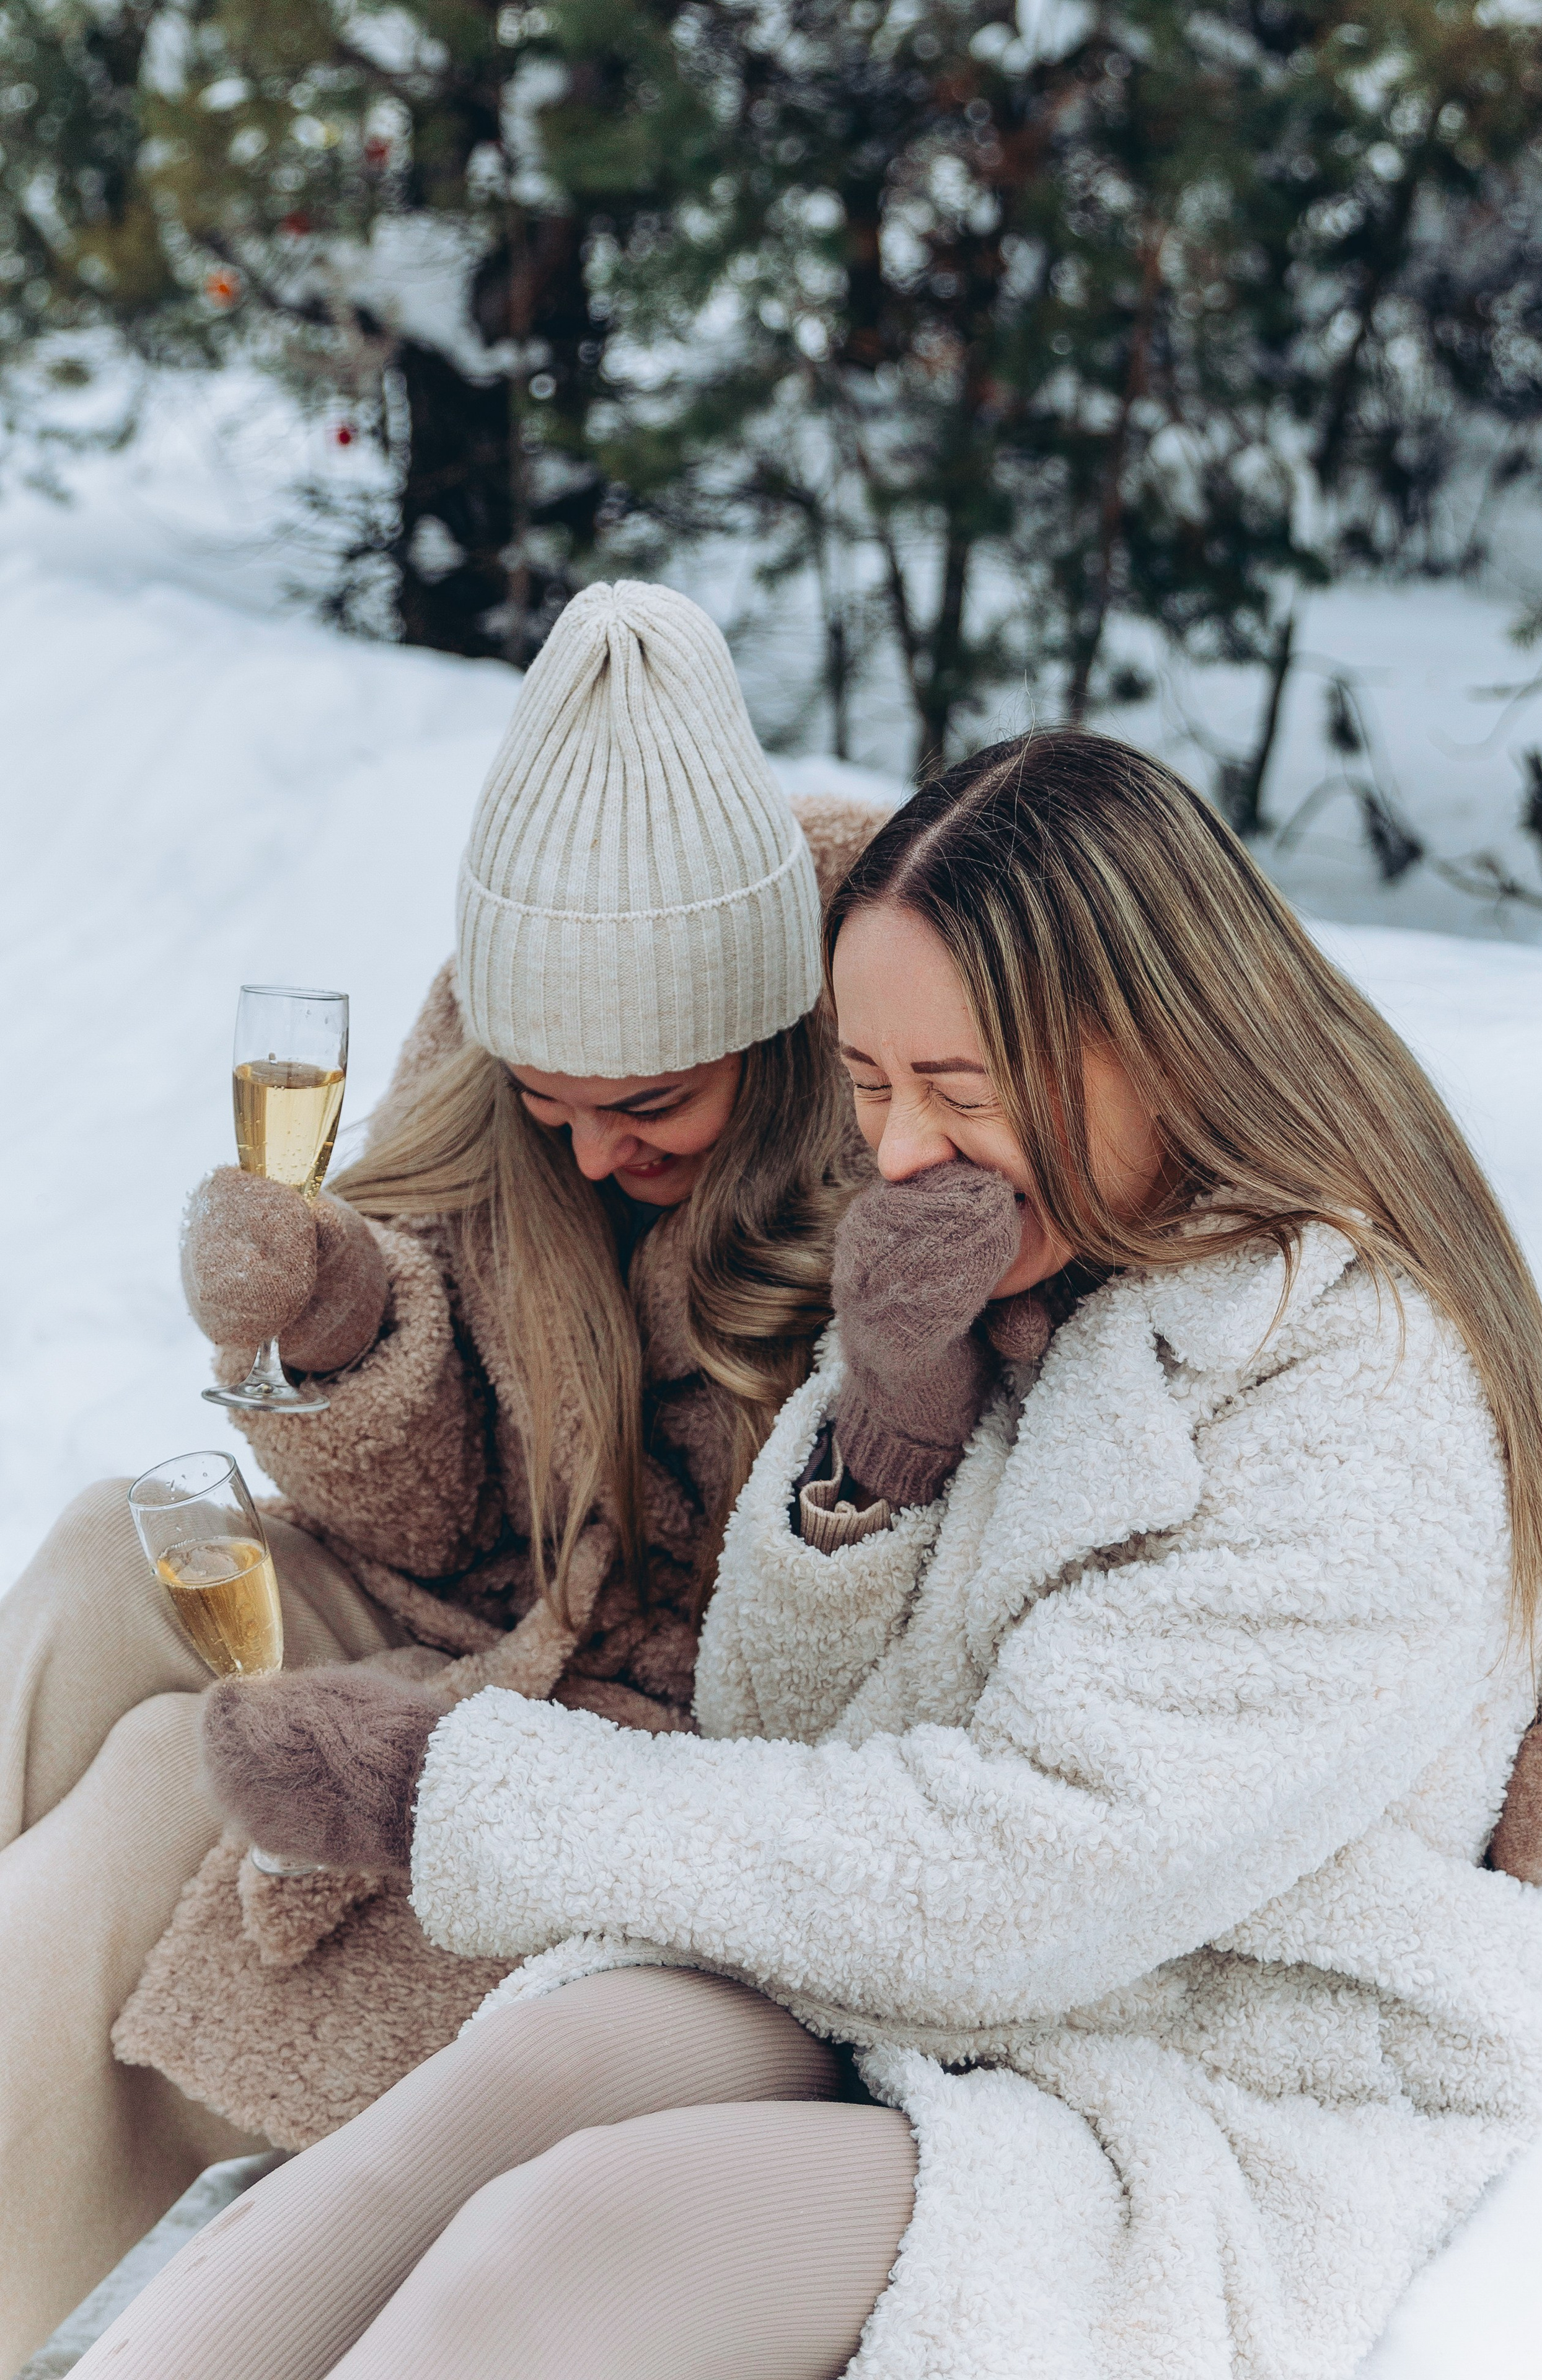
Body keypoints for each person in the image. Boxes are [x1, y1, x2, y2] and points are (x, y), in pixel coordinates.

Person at [71, 728, 1542, 2380]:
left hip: (1179, 2060)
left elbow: (1017, 1883)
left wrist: (467, 1784)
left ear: (1160, 1050)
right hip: (911, 1987)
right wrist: (875, 1449)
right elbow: (785, 1731)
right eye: (872, 1089)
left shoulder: (1360, 1400)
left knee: (563, 2244)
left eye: (958, 1089)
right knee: (505, 2094)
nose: (907, 1150)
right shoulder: (1037, 1286)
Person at [0, 580, 884, 2373]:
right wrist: (338, 1330)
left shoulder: (896, 1054)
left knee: (180, 1773)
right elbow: (423, 1517)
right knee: (118, 1547)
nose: (589, 1145)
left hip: (699, 1736)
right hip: (495, 1602)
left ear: (770, 1022)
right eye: (548, 1100)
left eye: (645, 1105)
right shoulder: (497, 1044)